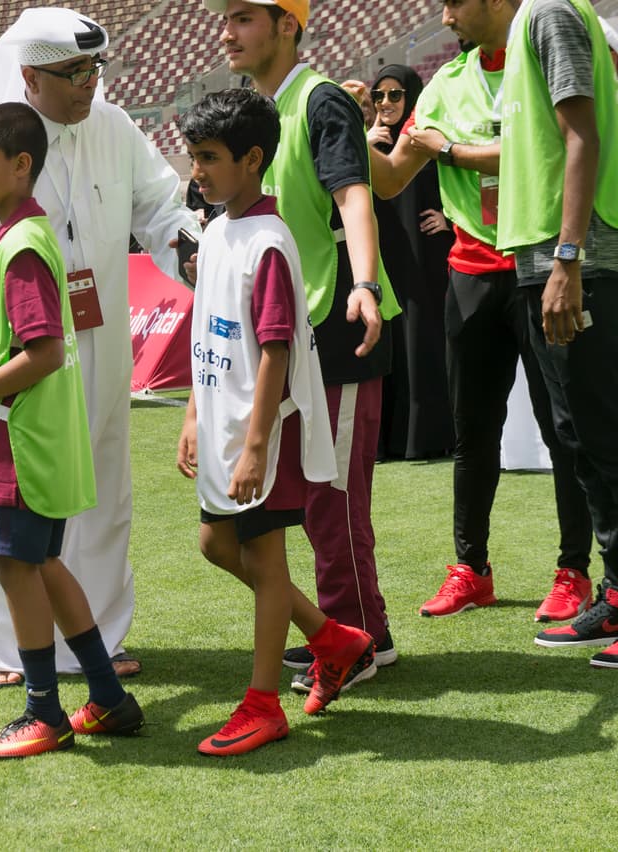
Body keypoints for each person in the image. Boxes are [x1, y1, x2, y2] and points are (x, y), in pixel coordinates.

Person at [0, 7, 197, 685]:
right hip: (17, 354)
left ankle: (98, 637)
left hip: (102, 345)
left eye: (95, 68)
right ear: (30, 77)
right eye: (74, 72)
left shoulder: (113, 128)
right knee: (6, 497)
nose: (90, 83)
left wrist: (196, 255)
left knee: (103, 485)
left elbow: (162, 212)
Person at [0, 101, 144, 759]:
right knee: (41, 561)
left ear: (21, 167)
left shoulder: (20, 244)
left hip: (21, 440)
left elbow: (44, 352)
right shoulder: (19, 234)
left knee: (16, 561)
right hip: (28, 436)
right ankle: (107, 696)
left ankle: (43, 712)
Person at [368, 0, 595, 624]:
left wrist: (449, 149)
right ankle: (472, 568)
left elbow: (545, 151)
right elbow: (389, 181)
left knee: (565, 431)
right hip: (470, 276)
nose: (444, 17)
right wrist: (353, 136)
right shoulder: (446, 81)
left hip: (541, 267)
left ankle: (573, 572)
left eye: (454, 2)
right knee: (472, 432)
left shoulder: (539, 54)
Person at [205, 0, 401, 689]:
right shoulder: (257, 111)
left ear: (288, 24)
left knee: (333, 499)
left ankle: (357, 643)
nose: (225, 32)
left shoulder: (320, 101)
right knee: (307, 497)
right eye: (223, 19)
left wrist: (365, 284)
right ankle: (354, 632)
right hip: (293, 338)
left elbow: (354, 199)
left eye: (242, 18)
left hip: (338, 330)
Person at [178, 88, 376, 756]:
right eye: (193, 156)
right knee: (215, 545)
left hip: (264, 427)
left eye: (209, 158)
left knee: (264, 560)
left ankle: (263, 704)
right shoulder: (217, 231)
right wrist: (192, 412)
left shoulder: (267, 240)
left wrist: (257, 444)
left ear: (253, 158)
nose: (196, 171)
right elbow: (210, 331)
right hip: (226, 421)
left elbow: (276, 349)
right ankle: (332, 636)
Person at [487, 0, 618, 668]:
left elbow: (582, 137)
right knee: (583, 434)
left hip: (576, 260)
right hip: (558, 259)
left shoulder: (550, 13)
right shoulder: (552, 15)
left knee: (598, 433)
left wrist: (567, 258)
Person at [366, 65, 455, 460]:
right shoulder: (368, 145)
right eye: (379, 96)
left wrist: (448, 218)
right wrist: (364, 142)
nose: (386, 103)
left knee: (420, 341)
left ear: (412, 97)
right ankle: (385, 441)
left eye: (395, 95)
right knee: (386, 342)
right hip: (381, 257)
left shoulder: (427, 139)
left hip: (423, 259)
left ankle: (425, 439)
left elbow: (466, 180)